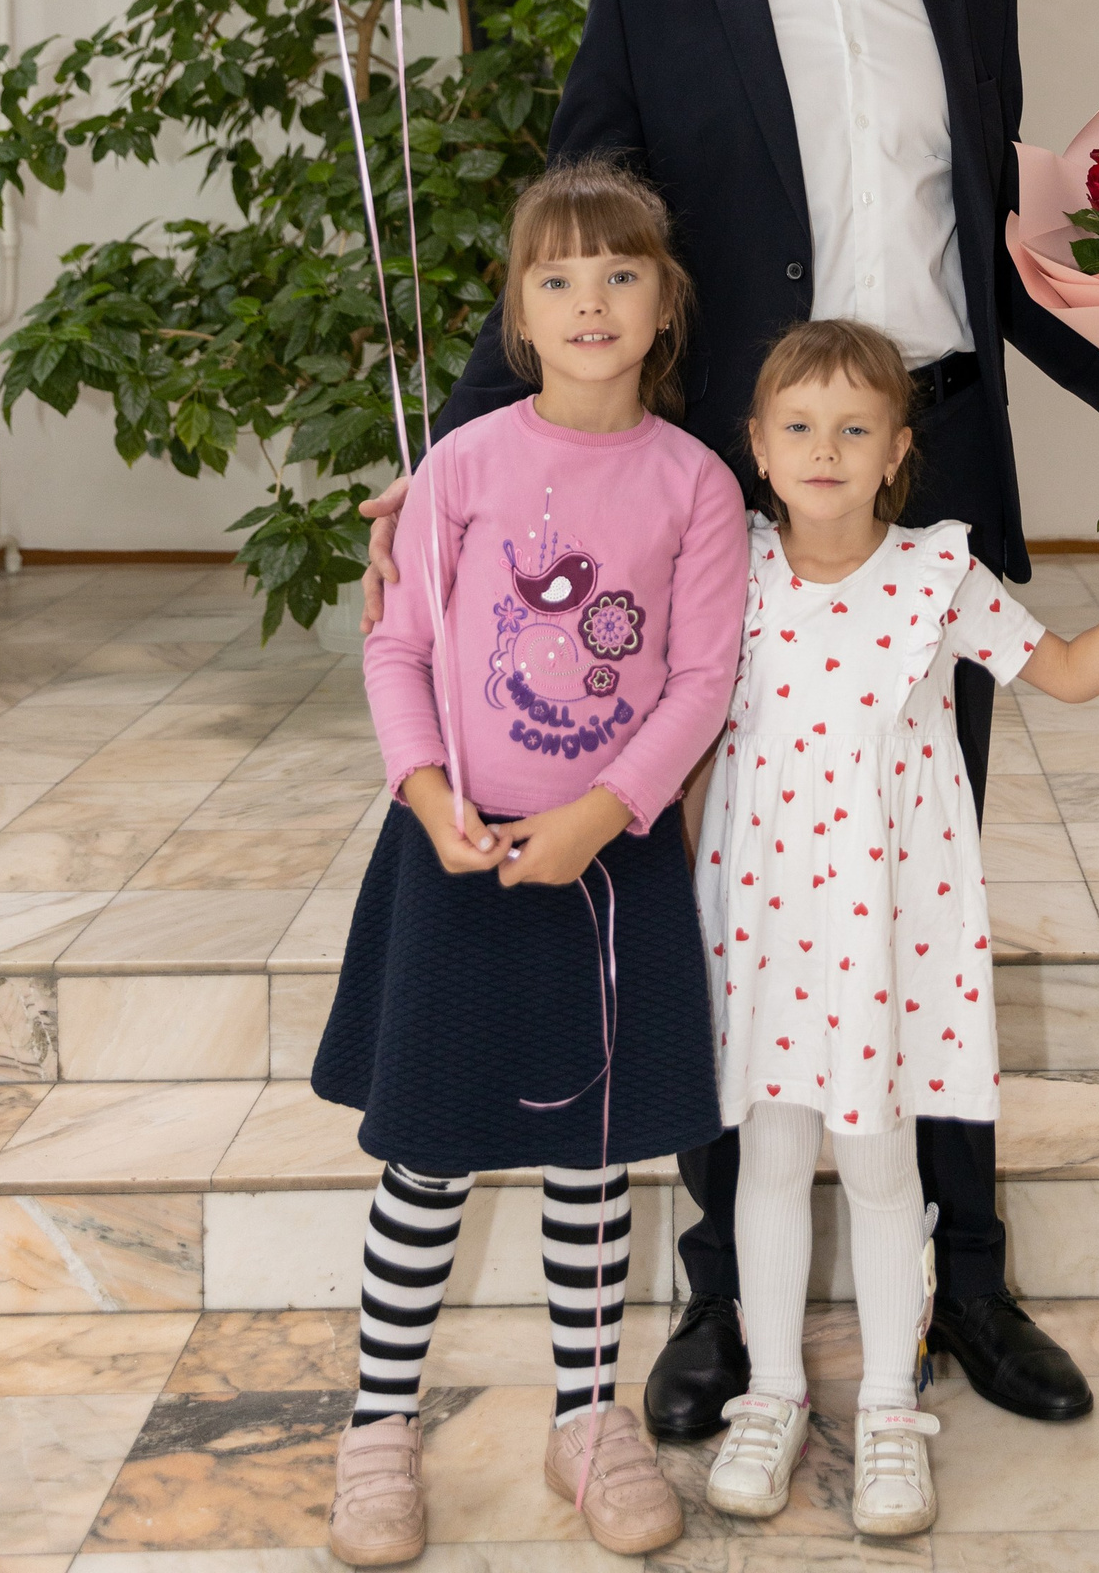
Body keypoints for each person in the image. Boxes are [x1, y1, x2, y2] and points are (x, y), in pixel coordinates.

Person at [360, 0, 1099, 1434]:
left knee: (926, 879)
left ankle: (968, 1277)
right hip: (730, 493)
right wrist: (444, 471)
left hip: (934, 468)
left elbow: (996, 253)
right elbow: (574, 234)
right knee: (718, 890)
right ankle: (718, 1301)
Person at [698, 316, 1099, 1536]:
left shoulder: (938, 576)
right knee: (767, 1158)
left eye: (854, 429)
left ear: (898, 451)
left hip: (881, 928)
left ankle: (891, 1404)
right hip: (767, 920)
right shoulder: (730, 570)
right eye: (798, 428)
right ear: (757, 446)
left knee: (883, 1162)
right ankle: (770, 1393)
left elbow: (1069, 672)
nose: (824, 451)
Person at [315, 158, 747, 1565]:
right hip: (455, 855)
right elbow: (400, 648)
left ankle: (586, 1419)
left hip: (607, 868)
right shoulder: (463, 463)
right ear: (518, 310)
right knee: (425, 1162)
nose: (590, 300)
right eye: (556, 277)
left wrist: (605, 814)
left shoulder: (696, 484)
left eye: (620, 273)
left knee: (591, 1162)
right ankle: (380, 1424)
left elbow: (700, 681)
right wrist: (426, 789)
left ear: (666, 301)